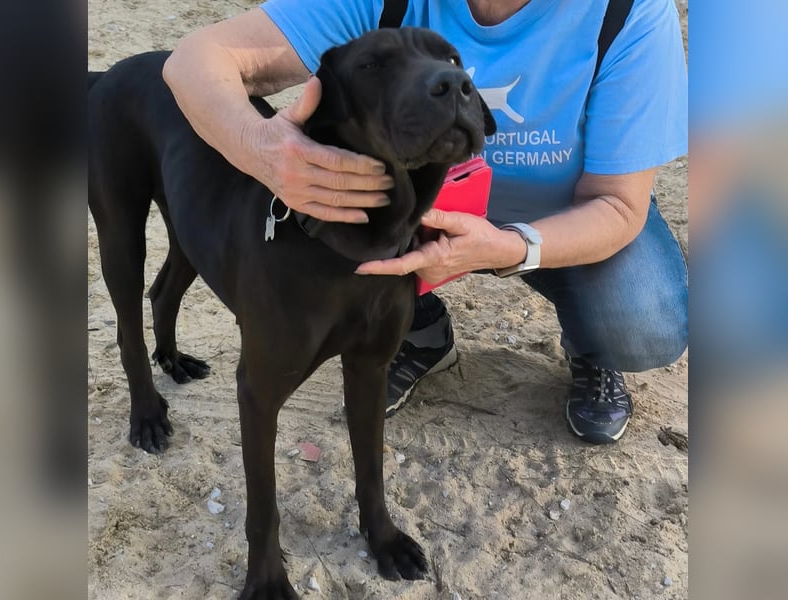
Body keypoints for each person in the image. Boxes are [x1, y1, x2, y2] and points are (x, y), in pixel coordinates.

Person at [162, 0, 688, 444]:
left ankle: (590, 346)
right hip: (406, 218)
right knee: (327, 224)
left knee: (646, 323)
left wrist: (510, 246)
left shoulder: (629, 11)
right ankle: (419, 326)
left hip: (557, 219)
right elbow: (195, 60)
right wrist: (263, 151)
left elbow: (618, 205)